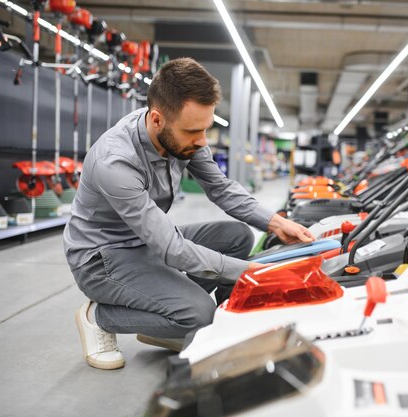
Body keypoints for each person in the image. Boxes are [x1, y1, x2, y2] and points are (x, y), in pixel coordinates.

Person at [63, 57, 315, 370]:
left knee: (237, 236)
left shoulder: (186, 135)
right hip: (102, 259)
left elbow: (221, 189)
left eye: (206, 129)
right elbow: (171, 248)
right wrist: (253, 273)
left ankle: (194, 322)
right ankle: (100, 318)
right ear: (157, 120)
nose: (202, 141)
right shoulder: (115, 161)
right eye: (194, 131)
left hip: (146, 242)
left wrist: (276, 223)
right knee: (198, 313)